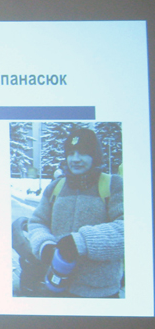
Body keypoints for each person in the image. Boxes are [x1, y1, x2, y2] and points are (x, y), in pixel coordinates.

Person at [27, 127, 124, 297]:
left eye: (83, 153)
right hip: (57, 284)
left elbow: (127, 229)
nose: (75, 159)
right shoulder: (55, 187)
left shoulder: (113, 185)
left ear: (95, 156)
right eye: (71, 153)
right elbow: (37, 222)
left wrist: (80, 242)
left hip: (101, 293)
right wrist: (44, 244)